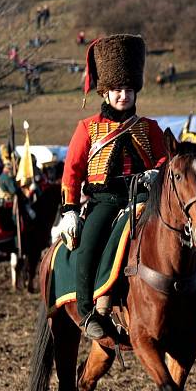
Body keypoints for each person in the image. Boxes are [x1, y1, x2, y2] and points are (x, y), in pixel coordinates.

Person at [57, 34, 168, 340]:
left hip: (144, 196)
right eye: (117, 90)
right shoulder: (88, 127)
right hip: (105, 199)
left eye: (128, 89)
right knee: (90, 243)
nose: (123, 95)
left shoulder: (150, 127)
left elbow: (162, 160)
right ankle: (88, 310)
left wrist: (157, 174)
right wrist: (69, 209)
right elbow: (73, 170)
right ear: (105, 93)